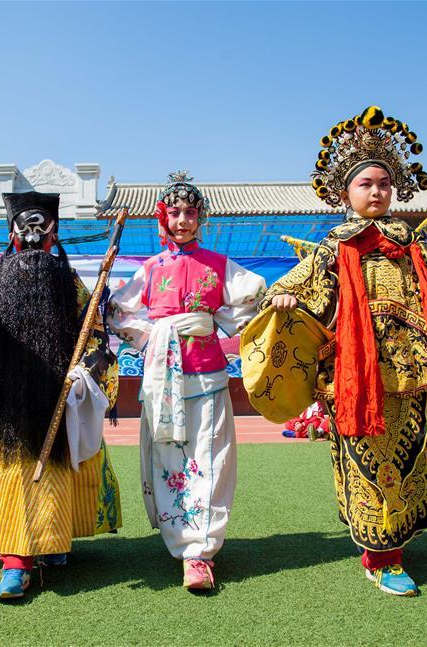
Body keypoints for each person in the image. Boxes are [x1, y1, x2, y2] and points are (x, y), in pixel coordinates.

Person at [252, 106, 427, 596]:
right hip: (356, 379)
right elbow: (290, 288)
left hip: (419, 375)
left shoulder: (413, 245)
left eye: (383, 183)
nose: (376, 191)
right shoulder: (334, 248)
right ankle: (381, 556)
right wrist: (284, 298)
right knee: (371, 466)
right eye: (365, 184)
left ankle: (397, 538)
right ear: (345, 194)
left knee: (415, 458)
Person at [108, 172, 266, 591]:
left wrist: (215, 321)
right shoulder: (150, 268)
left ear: (201, 217)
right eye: (175, 212)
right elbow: (118, 311)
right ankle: (176, 535)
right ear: (164, 218)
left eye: (190, 212)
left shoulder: (218, 264)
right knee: (168, 459)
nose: (182, 220)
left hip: (208, 374)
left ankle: (200, 553)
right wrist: (153, 335)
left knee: (210, 458)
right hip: (162, 376)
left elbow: (253, 299)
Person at [0, 191, 121, 600]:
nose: (34, 237)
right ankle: (14, 561)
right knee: (7, 476)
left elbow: (94, 332)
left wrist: (86, 370)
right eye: (26, 229)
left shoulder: (70, 282)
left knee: (55, 472)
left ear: (55, 236)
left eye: (43, 229)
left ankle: (54, 541)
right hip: (2, 395)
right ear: (12, 234)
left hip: (57, 390)